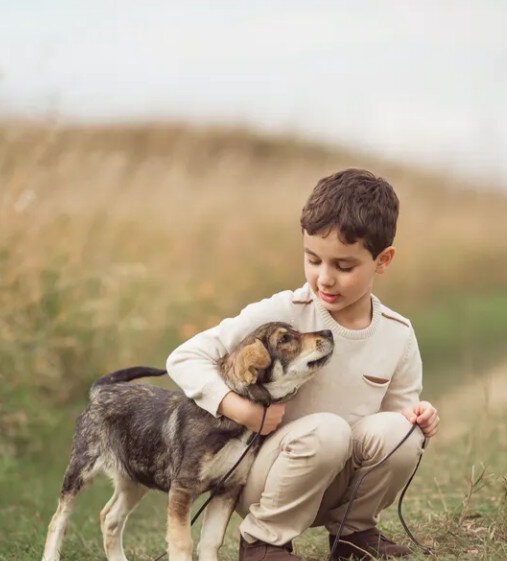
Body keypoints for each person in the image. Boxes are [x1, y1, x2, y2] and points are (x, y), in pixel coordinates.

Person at [166, 168, 441, 561]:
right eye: (313, 260)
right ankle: (263, 542)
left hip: (340, 482)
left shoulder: (397, 333)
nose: (324, 279)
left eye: (343, 267)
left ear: (382, 261)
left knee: (402, 433)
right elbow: (184, 357)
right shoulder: (285, 311)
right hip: (269, 479)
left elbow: (398, 413)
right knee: (328, 431)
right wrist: (240, 410)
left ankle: (353, 535)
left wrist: (418, 417)